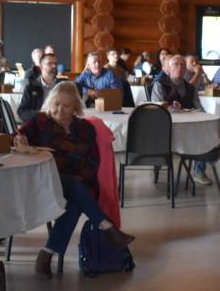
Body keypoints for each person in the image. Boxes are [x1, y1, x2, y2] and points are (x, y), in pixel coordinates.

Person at [17, 82, 134, 277]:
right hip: (46, 181)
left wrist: (80, 182)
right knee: (75, 189)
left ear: (75, 109)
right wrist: (18, 139)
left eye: (66, 106)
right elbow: (16, 137)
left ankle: (45, 255)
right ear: (49, 103)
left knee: (75, 200)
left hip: (80, 183)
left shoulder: (85, 128)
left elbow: (93, 162)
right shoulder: (40, 122)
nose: (59, 110)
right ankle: (107, 227)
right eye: (56, 104)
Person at [152, 55, 212, 185]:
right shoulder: (160, 84)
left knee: (203, 131)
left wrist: (205, 117)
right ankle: (158, 162)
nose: (179, 67)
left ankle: (199, 171)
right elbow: (156, 108)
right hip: (166, 128)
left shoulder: (190, 87)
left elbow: (197, 105)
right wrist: (171, 109)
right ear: (169, 68)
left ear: (186, 70)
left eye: (183, 65)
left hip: (187, 127)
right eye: (176, 64)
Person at [19, 52, 59, 122]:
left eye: (55, 64)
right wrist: (40, 114)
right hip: (38, 124)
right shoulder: (31, 87)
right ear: (41, 67)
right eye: (50, 63)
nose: (54, 66)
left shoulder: (62, 86)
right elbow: (22, 112)